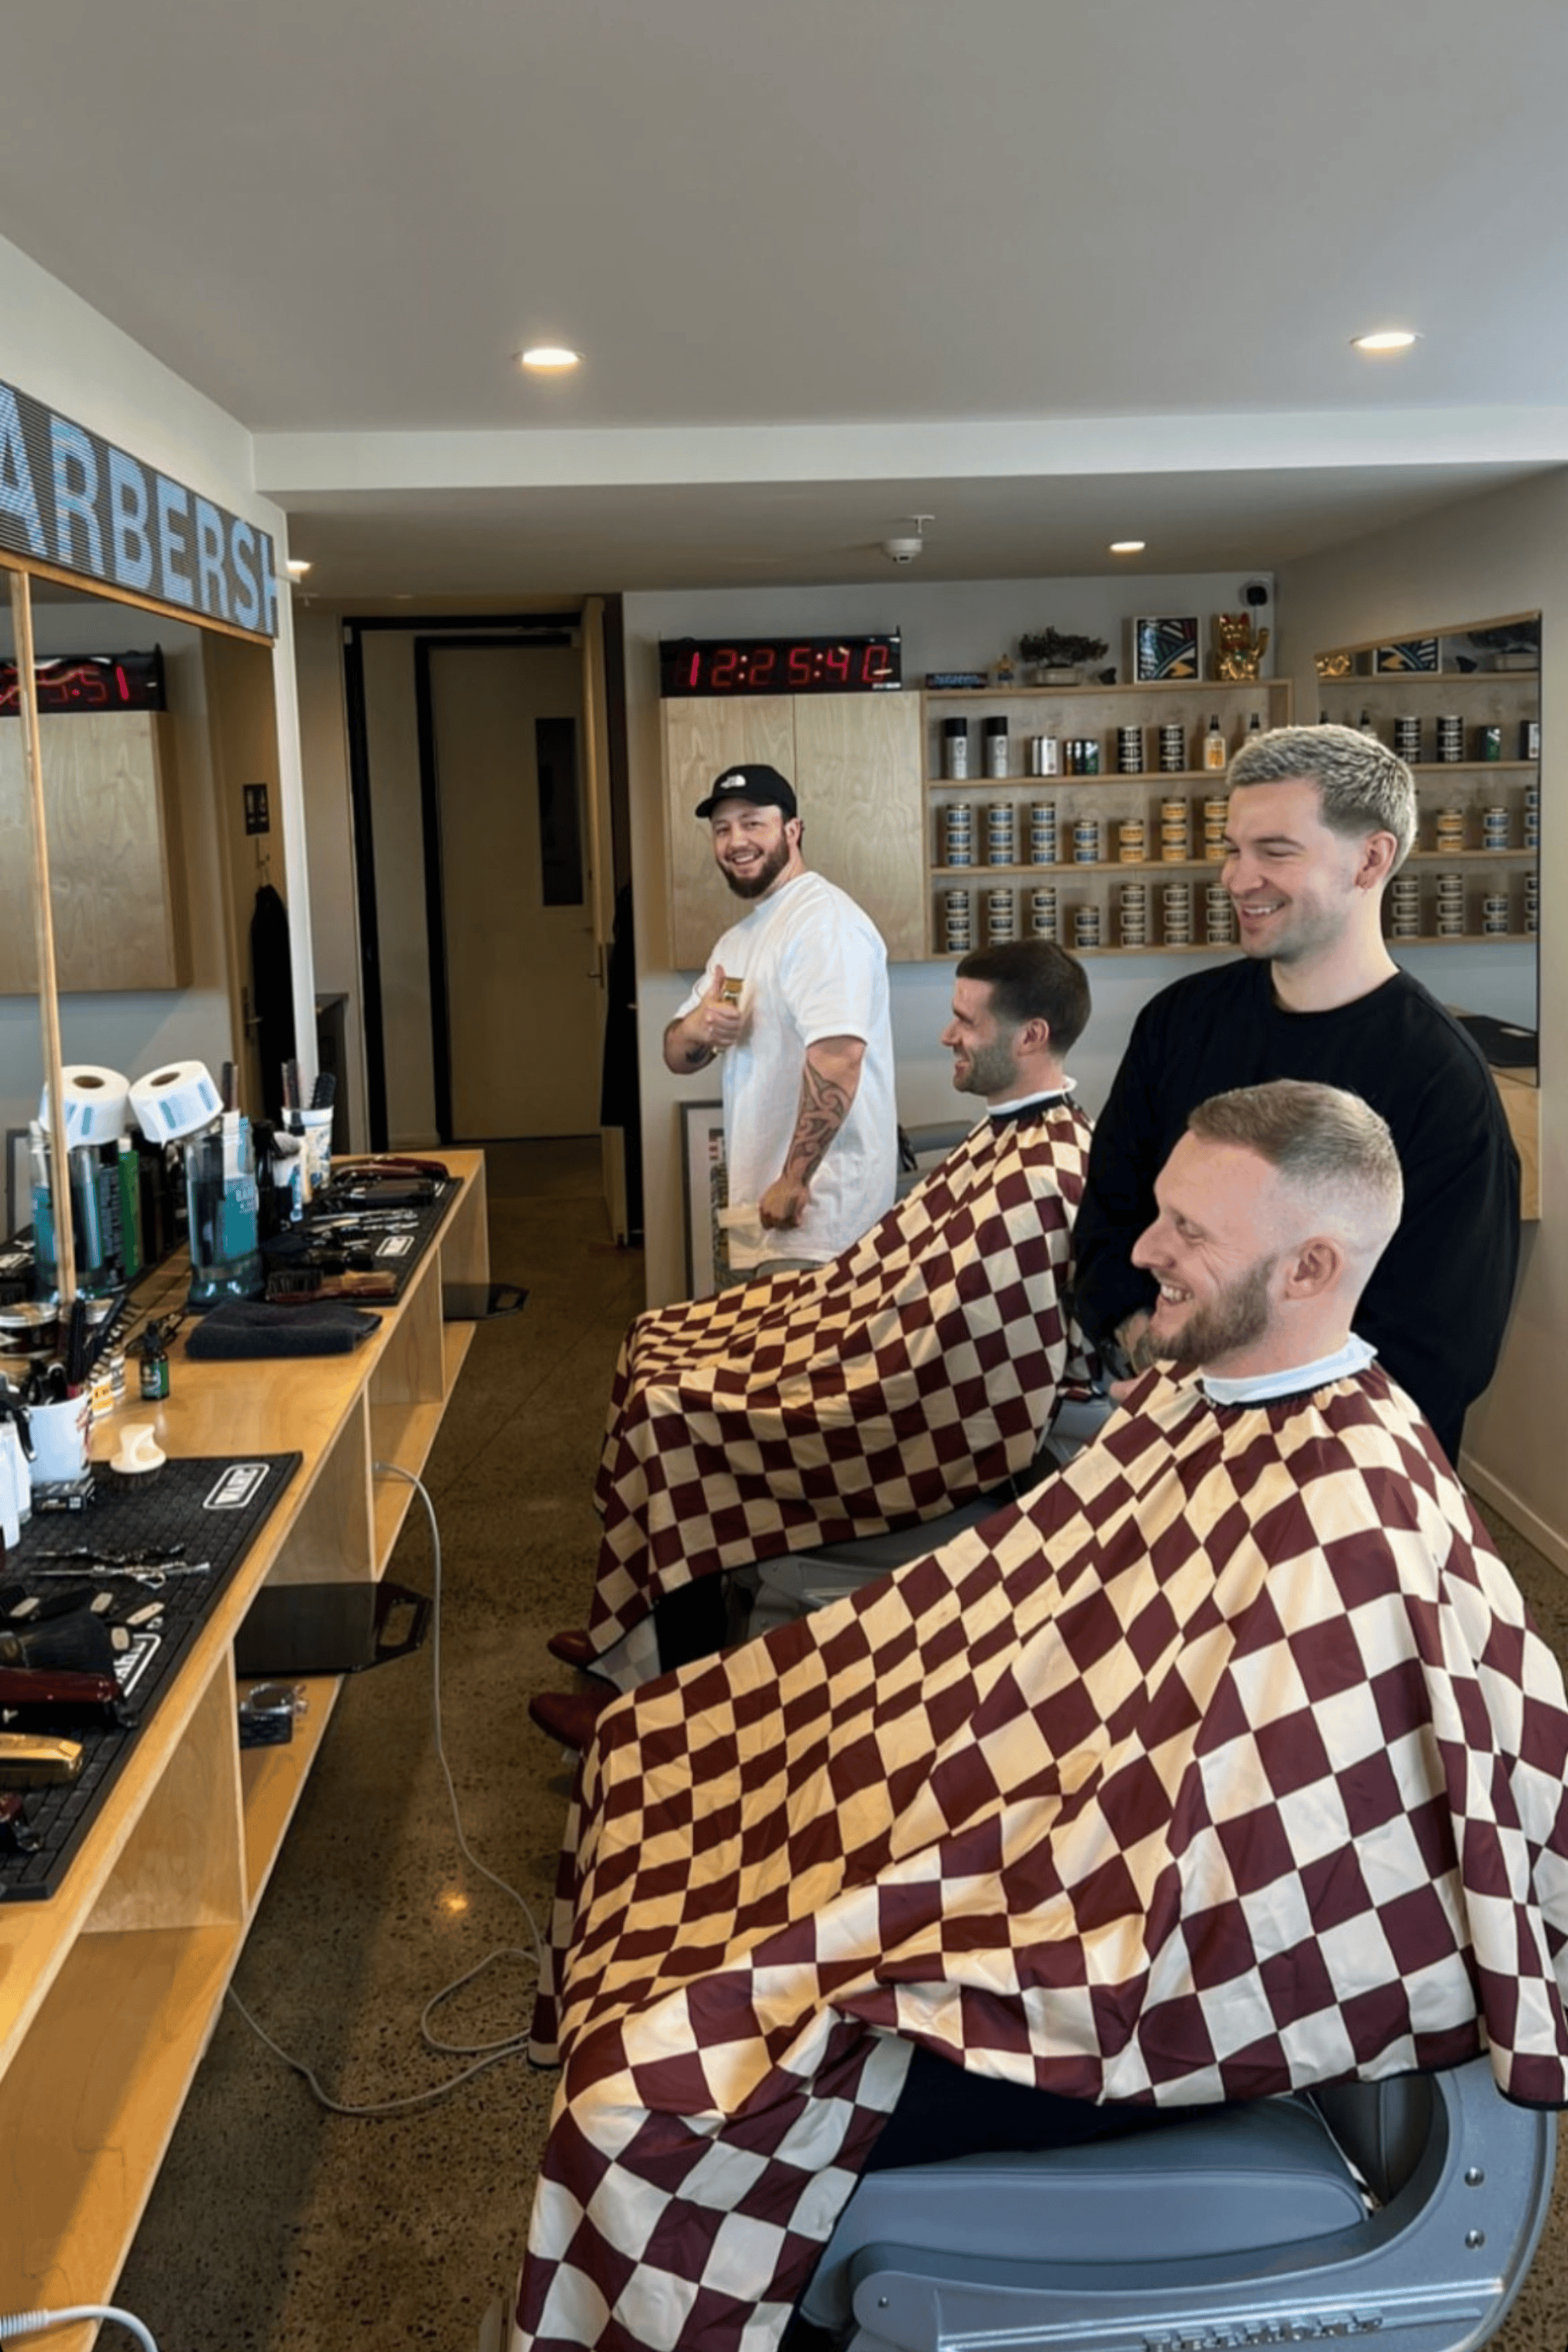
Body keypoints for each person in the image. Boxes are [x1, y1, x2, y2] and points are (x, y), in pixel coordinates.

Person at [515, 1082, 1568, 2352]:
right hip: (1049, 1843)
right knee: (653, 1759)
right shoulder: (1208, 1399)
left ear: (1314, 1265)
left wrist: (954, 1907)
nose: (1141, 1250)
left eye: (1190, 1231)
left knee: (652, 2096)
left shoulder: (1346, 1517)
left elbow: (1234, 1899)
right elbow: (1032, 1629)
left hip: (1125, 1992)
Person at [534, 942, 1095, 1719]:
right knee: (654, 1337)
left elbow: (963, 1359)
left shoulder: (1041, 1176)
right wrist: (828, 1324)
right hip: (863, 1335)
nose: (945, 1036)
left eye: (964, 1021)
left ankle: (659, 1700)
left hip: (904, 1408)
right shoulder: (1008, 1134)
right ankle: (634, 1632)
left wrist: (828, 1351)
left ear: (1029, 1036)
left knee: (670, 1407)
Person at [1072, 723, 1519, 1465]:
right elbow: (1111, 1221)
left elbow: (1442, 1349)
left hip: (1329, 1479)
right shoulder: (1178, 1024)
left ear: (1371, 859)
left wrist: (1233, 1412)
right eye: (1233, 849)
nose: (1236, 879)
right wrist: (1154, 1355)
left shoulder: (1441, 1084)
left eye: (1275, 852)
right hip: (1161, 1435)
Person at [664, 764, 896, 1281]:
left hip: (818, 1218)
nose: (735, 841)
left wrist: (794, 1179)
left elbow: (839, 1057)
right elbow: (676, 1054)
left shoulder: (824, 922)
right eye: (722, 829)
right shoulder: (739, 939)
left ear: (793, 830)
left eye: (752, 823)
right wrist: (699, 1028)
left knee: (805, 1364)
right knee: (755, 1357)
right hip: (755, 1208)